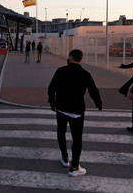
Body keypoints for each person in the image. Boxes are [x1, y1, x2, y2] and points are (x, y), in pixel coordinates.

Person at [48, 49, 102, 177]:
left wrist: (52, 103)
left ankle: (65, 158)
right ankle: (74, 166)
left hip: (61, 108)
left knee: (61, 133)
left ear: (70, 57)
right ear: (81, 59)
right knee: (77, 139)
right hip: (77, 111)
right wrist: (98, 103)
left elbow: (51, 88)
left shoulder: (60, 71)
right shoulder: (85, 74)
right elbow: (93, 90)